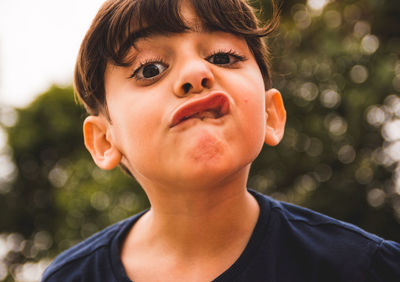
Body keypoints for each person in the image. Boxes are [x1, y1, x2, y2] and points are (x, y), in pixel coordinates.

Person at [42, 0, 400, 281]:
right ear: (105, 140)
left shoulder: (364, 268)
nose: (197, 73)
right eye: (150, 69)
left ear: (270, 115)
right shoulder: (70, 277)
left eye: (223, 56)